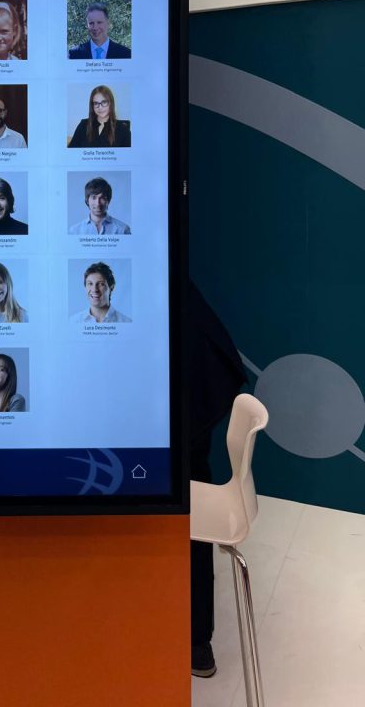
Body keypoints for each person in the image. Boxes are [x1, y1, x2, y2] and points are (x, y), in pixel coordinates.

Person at [189, 281, 248, 678]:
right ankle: (196, 637)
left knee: (186, 497)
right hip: (198, 388)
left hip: (193, 393)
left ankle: (196, 637)